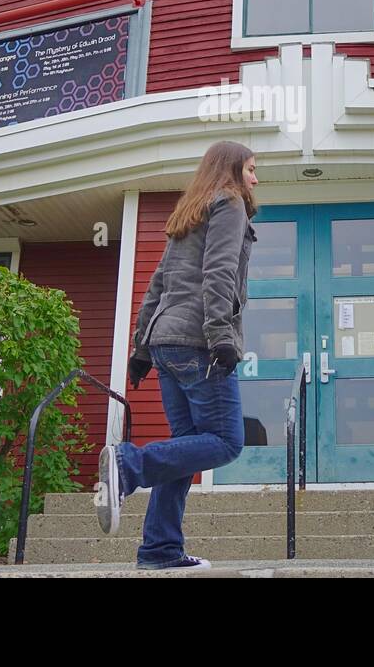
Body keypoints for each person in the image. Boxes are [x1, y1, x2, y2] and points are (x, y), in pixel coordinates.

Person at [97, 140, 258, 569]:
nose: (256, 180)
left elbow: (158, 283)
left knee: (187, 448)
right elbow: (219, 271)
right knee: (225, 443)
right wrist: (221, 335)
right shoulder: (229, 204)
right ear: (232, 171)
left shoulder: (189, 210)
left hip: (167, 343)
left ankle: (160, 549)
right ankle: (128, 465)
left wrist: (141, 349)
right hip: (197, 342)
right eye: (251, 170)